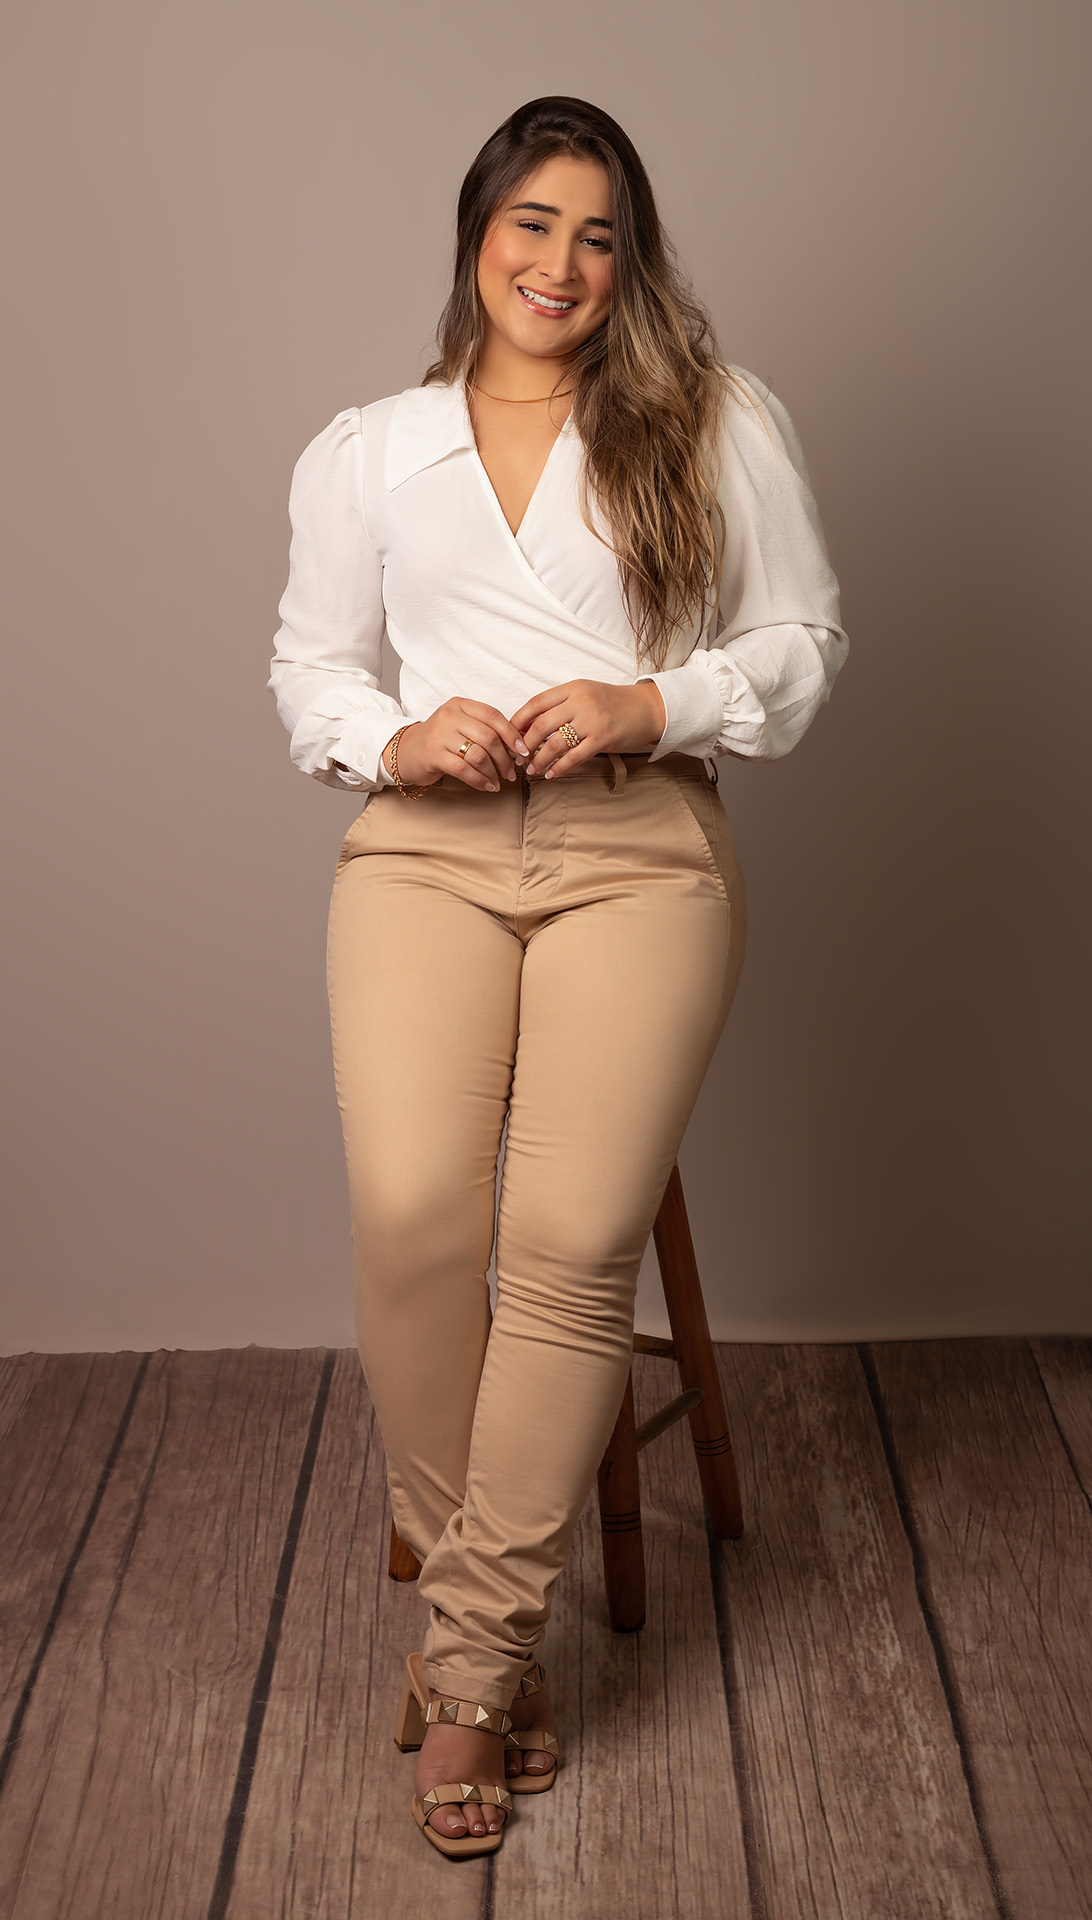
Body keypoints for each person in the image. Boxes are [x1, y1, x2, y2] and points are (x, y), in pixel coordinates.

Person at [268, 94, 847, 1860]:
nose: (561, 264)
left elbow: (804, 641)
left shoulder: (715, 418)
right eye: (533, 224)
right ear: (477, 235)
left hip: (641, 853)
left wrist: (646, 701)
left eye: (599, 236)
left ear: (630, 260)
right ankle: (495, 1633)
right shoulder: (369, 450)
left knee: (571, 1237)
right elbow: (311, 668)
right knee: (415, 1215)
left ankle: (467, 1672)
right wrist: (396, 735)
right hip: (426, 856)